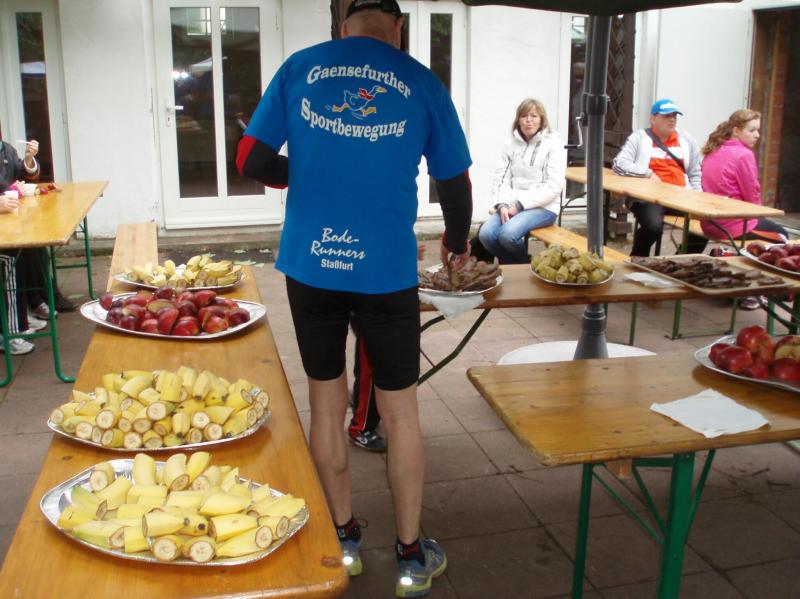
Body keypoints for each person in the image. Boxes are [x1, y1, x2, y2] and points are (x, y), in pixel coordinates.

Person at [236, 1, 472, 596]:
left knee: (325, 405)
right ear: (397, 27)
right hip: (385, 271)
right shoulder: (420, 80)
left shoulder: (301, 67)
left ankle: (343, 541)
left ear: (344, 26)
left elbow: (250, 158)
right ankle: (411, 555)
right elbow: (454, 181)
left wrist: (304, 172)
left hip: (310, 263)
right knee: (401, 412)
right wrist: (454, 241)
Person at [700, 108, 789, 310]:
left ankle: (725, 257)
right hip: (733, 225)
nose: (757, 135)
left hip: (710, 223)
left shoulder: (714, 149)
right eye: (752, 130)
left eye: (758, 130)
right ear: (736, 130)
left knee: (765, 232)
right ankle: (754, 292)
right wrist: (761, 215)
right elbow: (752, 196)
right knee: (782, 237)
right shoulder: (743, 155)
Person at [612, 99, 707, 256]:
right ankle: (637, 258)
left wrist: (697, 198)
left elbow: (695, 173)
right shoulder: (639, 138)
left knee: (706, 225)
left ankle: (677, 263)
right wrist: (647, 173)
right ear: (653, 119)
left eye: (674, 116)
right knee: (653, 227)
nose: (672, 120)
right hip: (648, 198)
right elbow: (619, 164)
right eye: (666, 116)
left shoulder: (687, 140)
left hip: (680, 196)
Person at [477, 98, 566, 264]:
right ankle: (520, 264)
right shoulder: (510, 144)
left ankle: (521, 267)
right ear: (518, 120)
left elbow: (554, 187)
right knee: (486, 234)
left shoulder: (554, 144)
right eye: (524, 116)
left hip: (544, 207)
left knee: (507, 235)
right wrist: (502, 205)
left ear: (542, 120)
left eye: (534, 116)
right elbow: (501, 179)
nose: (529, 120)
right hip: (511, 204)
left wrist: (519, 205)